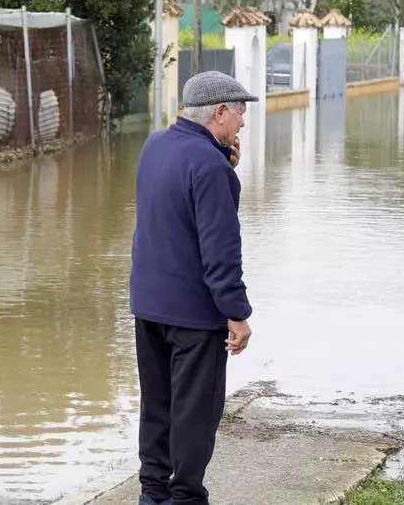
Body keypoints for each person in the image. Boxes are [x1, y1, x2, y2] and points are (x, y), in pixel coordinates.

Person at [129, 70, 257, 505]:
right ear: (219, 112)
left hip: (148, 306)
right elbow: (220, 250)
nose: (242, 122)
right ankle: (185, 498)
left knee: (157, 406)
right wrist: (237, 314)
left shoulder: (155, 146)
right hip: (193, 316)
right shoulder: (210, 165)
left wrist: (224, 168)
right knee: (194, 415)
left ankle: (152, 494)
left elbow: (174, 210)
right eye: (239, 112)